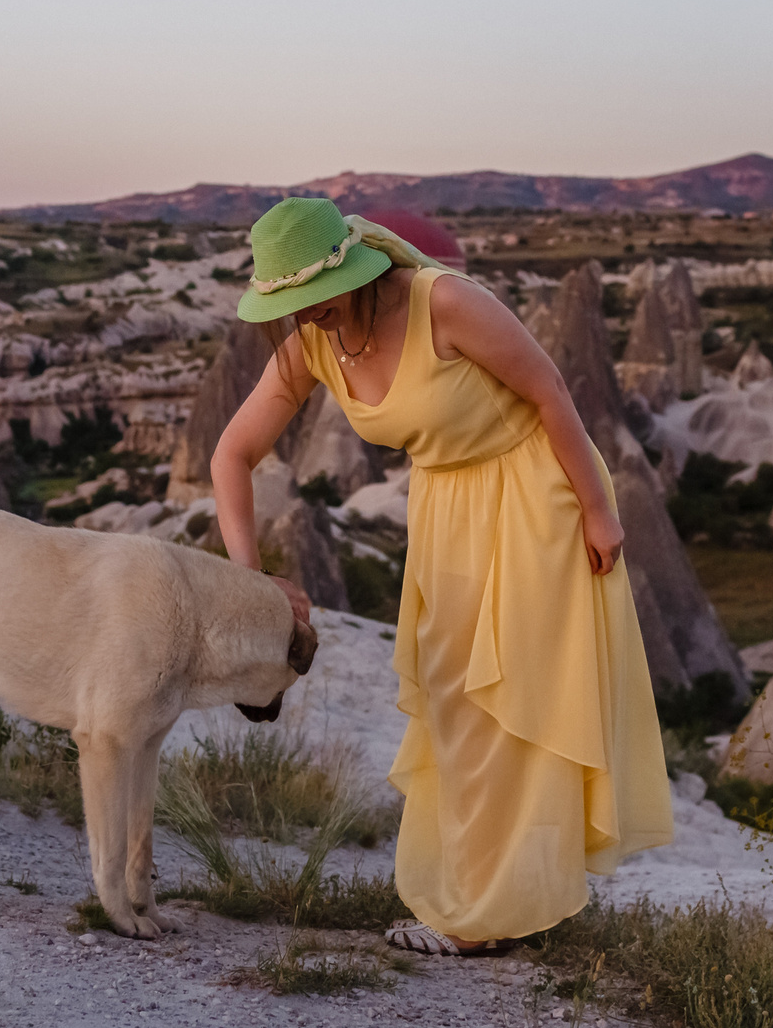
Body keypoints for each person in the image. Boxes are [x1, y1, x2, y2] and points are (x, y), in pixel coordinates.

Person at [211, 197, 673, 955]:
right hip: (447, 507)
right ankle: (487, 900)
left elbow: (549, 391)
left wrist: (597, 509)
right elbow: (231, 455)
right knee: (455, 705)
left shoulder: (446, 302)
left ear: (354, 273)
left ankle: (482, 918)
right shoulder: (312, 345)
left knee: (511, 702)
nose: (306, 317)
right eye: (289, 304)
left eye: (310, 299)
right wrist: (251, 581)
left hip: (534, 494)